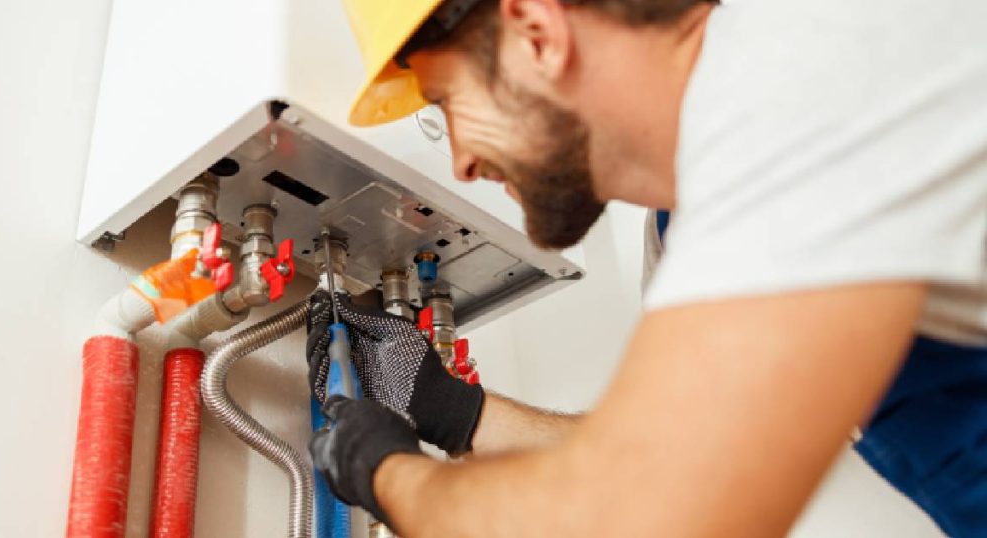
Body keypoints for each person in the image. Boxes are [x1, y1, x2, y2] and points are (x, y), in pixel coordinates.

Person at [306, 0, 987, 536]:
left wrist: (384, 475)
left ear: (538, 33)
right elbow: (684, 459)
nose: (461, 161)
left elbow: (638, 516)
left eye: (446, 104)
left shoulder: (803, 83)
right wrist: (451, 410)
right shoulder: (692, 232)